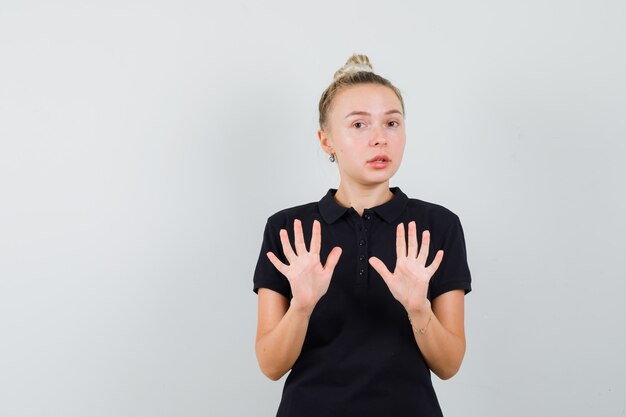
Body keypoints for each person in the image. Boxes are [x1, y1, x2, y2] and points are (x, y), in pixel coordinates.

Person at [252, 53, 472, 417]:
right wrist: (301, 307)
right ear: (327, 141)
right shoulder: (287, 230)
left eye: (392, 123)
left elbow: (449, 365)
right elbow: (270, 365)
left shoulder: (439, 226)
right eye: (358, 125)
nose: (379, 139)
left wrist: (419, 310)